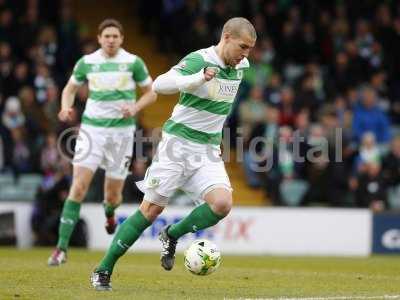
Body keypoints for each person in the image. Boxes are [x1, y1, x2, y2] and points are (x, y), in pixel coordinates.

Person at [90, 17, 256, 291]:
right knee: (151, 210)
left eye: (249, 49)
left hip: (207, 150)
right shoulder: (198, 60)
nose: (246, 55)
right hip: (177, 146)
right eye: (242, 47)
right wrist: (198, 78)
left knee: (222, 204)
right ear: (226, 37)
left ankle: (172, 234)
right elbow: (159, 85)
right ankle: (102, 269)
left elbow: (237, 67)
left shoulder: (241, 65)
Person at [47, 19, 157, 266]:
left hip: (121, 136)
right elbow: (69, 89)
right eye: (106, 36)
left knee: (112, 196)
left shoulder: (133, 62)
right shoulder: (87, 62)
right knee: (78, 187)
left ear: (121, 39)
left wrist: (136, 106)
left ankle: (110, 214)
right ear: (99, 38)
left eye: (115, 36)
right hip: (92, 132)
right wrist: (66, 108)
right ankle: (61, 249)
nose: (110, 40)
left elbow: (152, 93)